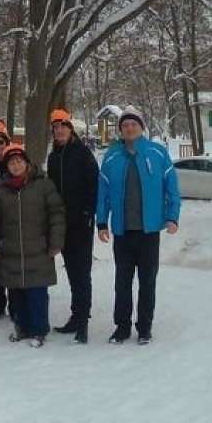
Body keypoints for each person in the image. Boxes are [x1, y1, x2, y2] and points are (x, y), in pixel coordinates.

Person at [96, 105, 180, 345]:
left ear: (141, 127)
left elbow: (171, 187)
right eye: (125, 125)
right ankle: (121, 327)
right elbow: (103, 193)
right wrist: (102, 222)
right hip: (123, 232)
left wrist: (172, 216)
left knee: (147, 282)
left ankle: (144, 327)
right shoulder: (112, 157)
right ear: (121, 130)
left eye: (133, 124)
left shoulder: (157, 153)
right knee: (122, 283)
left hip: (149, 231)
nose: (129, 128)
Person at [0, 144, 65, 348]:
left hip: (38, 248)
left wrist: (55, 242)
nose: (16, 165)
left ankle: (38, 330)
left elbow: (56, 214)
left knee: (36, 293)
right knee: (16, 294)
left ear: (27, 163)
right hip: (11, 250)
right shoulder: (1, 190)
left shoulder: (43, 185)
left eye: (19, 161)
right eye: (11, 162)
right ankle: (21, 327)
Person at [47, 108, 99, 344]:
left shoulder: (83, 153)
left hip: (82, 222)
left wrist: (89, 212)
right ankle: (75, 316)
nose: (59, 131)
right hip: (62, 222)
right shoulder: (53, 157)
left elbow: (93, 184)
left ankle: (83, 321)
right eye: (56, 129)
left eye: (63, 127)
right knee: (71, 272)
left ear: (70, 129)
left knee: (82, 272)